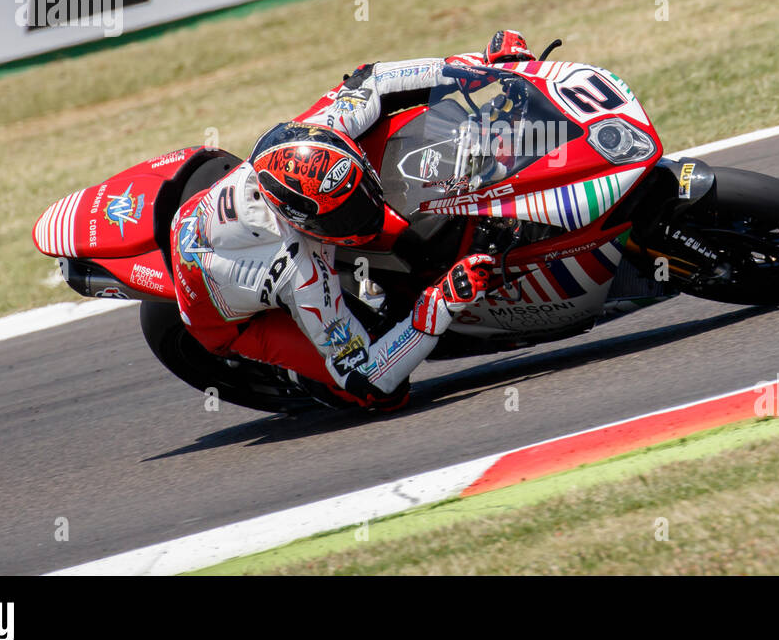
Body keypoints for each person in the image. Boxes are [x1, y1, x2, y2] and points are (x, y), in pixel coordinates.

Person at [169, 31, 535, 410]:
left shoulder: (319, 131)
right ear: (307, 225)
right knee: (383, 399)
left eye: (360, 195)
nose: (368, 211)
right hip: (220, 314)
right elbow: (369, 377)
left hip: (211, 214)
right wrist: (439, 303)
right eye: (347, 215)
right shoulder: (304, 275)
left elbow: (372, 79)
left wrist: (479, 66)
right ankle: (301, 375)